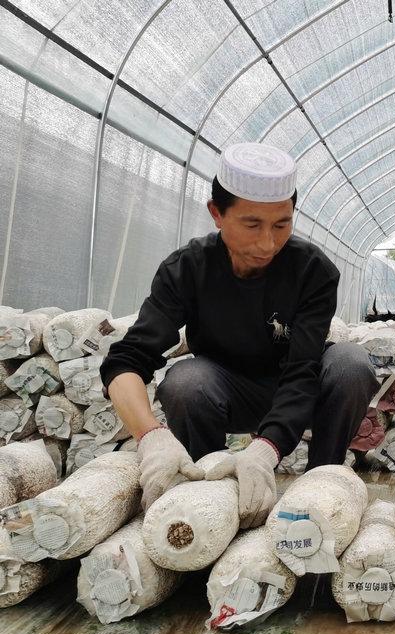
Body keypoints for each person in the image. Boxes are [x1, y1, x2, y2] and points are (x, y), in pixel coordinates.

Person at [101, 142, 379, 528]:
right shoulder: (187, 269)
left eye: (282, 224)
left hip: (300, 389)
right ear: (217, 213)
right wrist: (150, 437)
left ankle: (320, 485)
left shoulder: (313, 271)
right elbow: (127, 359)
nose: (268, 243)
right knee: (185, 381)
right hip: (225, 391)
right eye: (252, 224)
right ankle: (208, 491)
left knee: (350, 364)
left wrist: (265, 450)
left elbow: (303, 370)